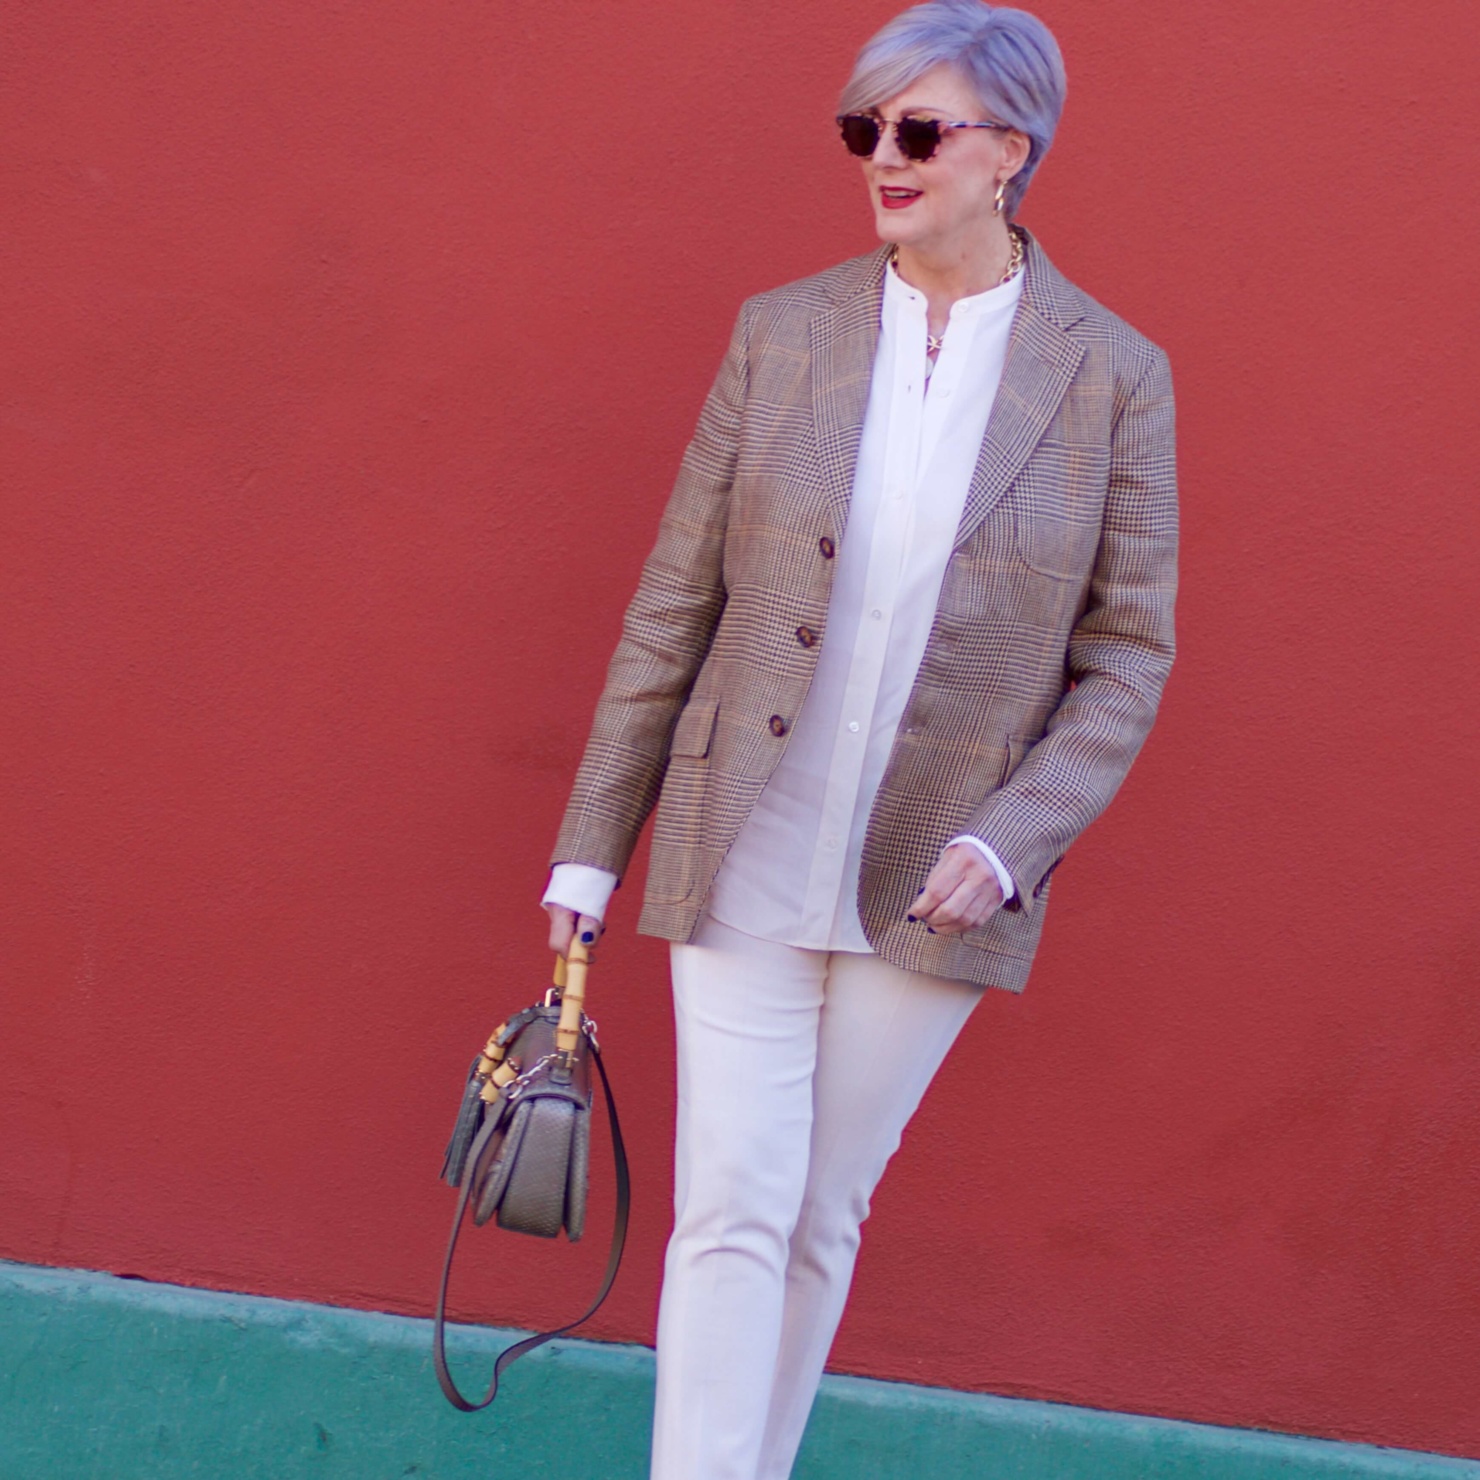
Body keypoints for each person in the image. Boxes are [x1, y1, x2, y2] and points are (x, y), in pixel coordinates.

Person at [540, 2, 1177, 1475]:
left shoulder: (1113, 377)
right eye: (861, 130)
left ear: (1011, 151)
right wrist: (591, 848)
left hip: (932, 875)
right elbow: (672, 604)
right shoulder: (787, 333)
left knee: (821, 1210)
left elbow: (1128, 660)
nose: (880, 157)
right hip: (746, 829)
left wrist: (1009, 843)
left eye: (916, 129)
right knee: (732, 1205)